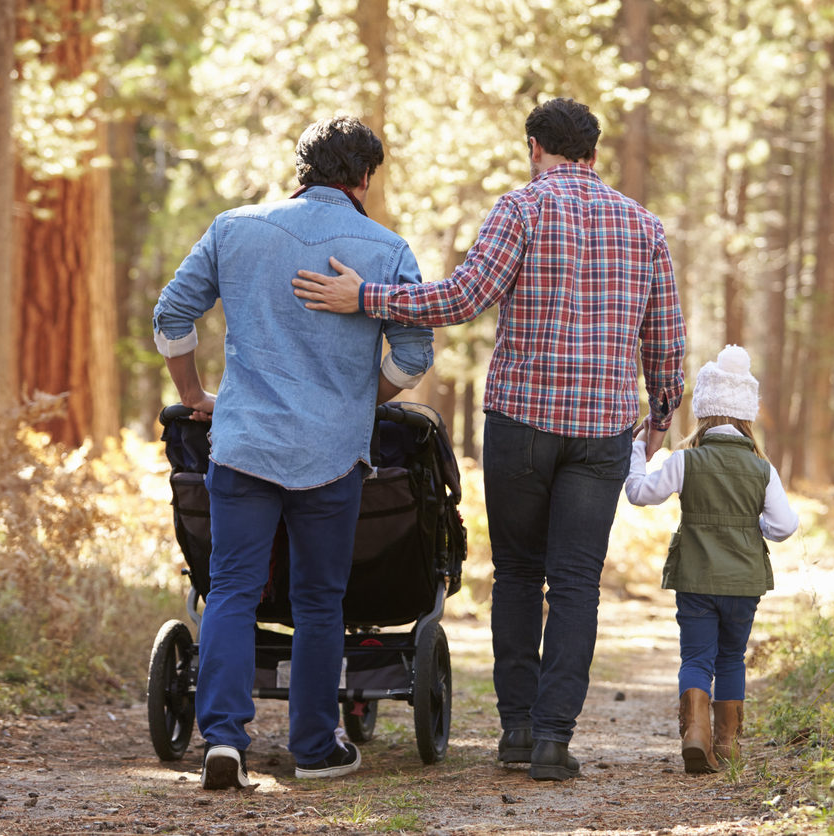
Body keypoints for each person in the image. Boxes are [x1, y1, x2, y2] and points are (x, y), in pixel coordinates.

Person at [290, 97, 686, 781]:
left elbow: (463, 298)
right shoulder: (645, 227)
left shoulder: (521, 209)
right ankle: (555, 742)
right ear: (593, 153)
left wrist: (368, 298)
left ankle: (517, 732)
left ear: (536, 147)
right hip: (601, 432)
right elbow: (667, 342)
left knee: (519, 575)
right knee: (576, 585)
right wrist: (659, 417)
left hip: (522, 425)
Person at [152, 115, 434, 790]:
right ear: (365, 178)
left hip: (243, 443)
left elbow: (172, 315)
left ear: (301, 167)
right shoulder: (388, 249)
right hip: (331, 455)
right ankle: (314, 747)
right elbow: (415, 356)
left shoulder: (234, 227)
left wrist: (195, 394)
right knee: (318, 602)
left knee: (230, 590)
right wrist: (355, 406)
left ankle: (222, 740)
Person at [624, 345, 799, 774]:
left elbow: (639, 493)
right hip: (743, 583)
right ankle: (727, 743)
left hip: (696, 579)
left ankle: (696, 734)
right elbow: (784, 525)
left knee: (696, 658)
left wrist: (635, 451)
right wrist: (748, 528)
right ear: (745, 416)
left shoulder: (686, 460)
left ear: (704, 412)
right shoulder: (762, 468)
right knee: (731, 658)